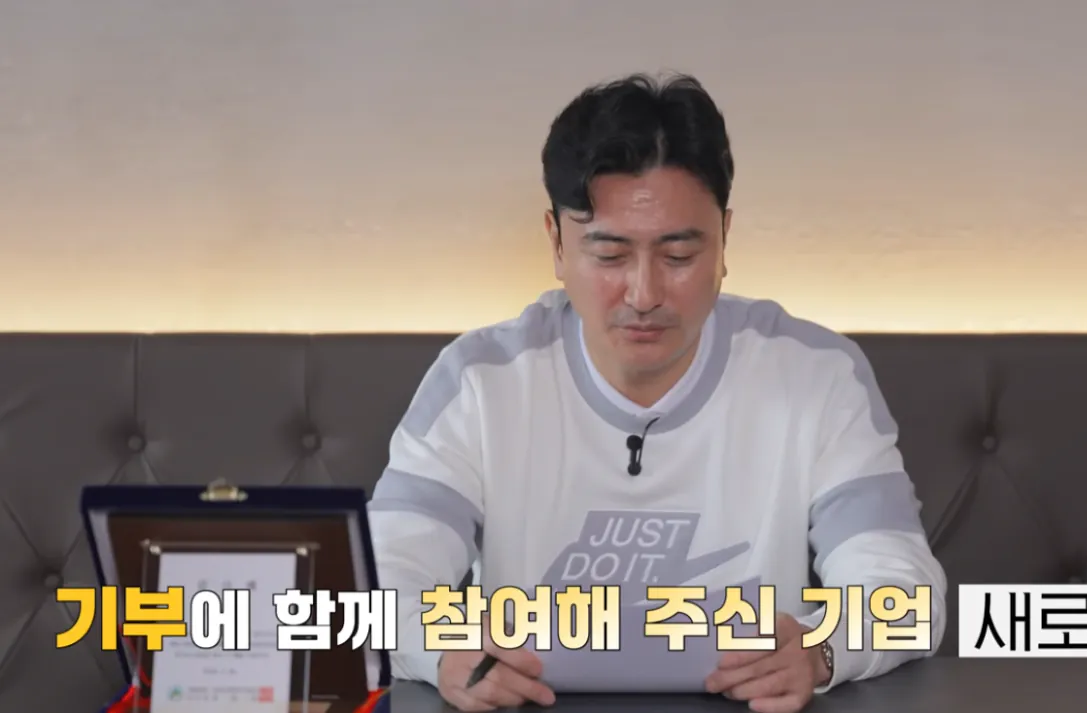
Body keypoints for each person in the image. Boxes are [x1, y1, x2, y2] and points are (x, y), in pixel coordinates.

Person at [367, 72, 947, 712]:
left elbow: (904, 594)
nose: (644, 295)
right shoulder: (480, 381)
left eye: (678, 256)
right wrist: (441, 650)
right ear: (556, 243)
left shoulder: (816, 375)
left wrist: (821, 650)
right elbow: (375, 586)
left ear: (724, 241)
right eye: (609, 256)